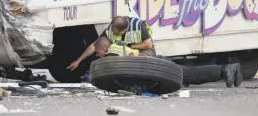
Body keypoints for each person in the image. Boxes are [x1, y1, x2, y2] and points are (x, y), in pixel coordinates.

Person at [94, 36, 243, 88]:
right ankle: (230, 72)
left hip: (154, 66)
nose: (98, 56)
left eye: (98, 52)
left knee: (187, 74)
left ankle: (226, 70)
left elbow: (110, 69)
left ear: (104, 48)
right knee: (187, 73)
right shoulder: (119, 47)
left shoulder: (111, 53)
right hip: (155, 63)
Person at [67, 16, 155, 71]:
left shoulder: (138, 25)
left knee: (142, 61)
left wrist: (130, 46)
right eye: (112, 30)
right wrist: (78, 61)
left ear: (124, 31)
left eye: (116, 32)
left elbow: (148, 44)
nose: (113, 33)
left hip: (143, 49)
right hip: (123, 52)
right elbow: (95, 45)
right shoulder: (110, 30)